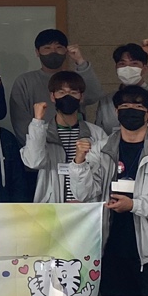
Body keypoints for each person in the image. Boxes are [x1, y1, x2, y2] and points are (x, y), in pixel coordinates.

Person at [71, 86, 148, 296]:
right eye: (124, 106)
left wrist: (134, 205)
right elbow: (83, 193)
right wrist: (78, 163)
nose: (130, 110)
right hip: (108, 249)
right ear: (117, 112)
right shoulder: (101, 149)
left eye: (138, 107)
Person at [20, 72, 109, 204]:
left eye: (73, 92)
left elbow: (104, 173)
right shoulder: (41, 132)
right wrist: (37, 122)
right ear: (52, 96)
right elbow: (34, 162)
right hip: (53, 206)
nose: (67, 97)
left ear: (81, 97)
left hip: (86, 206)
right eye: (61, 92)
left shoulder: (96, 133)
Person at [95, 39, 148, 146]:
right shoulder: (107, 101)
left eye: (134, 63)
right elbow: (99, 134)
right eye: (122, 64)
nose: (127, 68)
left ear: (145, 69)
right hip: (117, 155)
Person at [9, 28, 101, 130]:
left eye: (59, 47)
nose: (53, 52)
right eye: (47, 48)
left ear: (66, 50)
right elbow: (20, 120)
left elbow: (93, 96)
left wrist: (80, 61)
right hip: (38, 138)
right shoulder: (24, 82)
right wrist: (34, 139)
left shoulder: (74, 78)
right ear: (37, 52)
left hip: (77, 138)